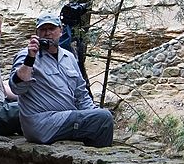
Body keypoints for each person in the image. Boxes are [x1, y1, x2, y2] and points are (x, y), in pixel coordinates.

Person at [9, 12, 113, 147]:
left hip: (66, 119)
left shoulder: (69, 57)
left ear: (61, 31)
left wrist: (92, 112)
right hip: (42, 123)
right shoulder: (27, 55)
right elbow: (17, 88)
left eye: (51, 29)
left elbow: (80, 94)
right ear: (37, 33)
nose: (47, 33)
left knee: (101, 117)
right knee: (104, 119)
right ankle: (99, 163)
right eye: (43, 29)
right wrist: (30, 58)